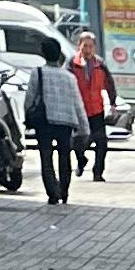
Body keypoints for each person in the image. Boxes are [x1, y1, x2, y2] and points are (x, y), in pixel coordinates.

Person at [26, 47, 88, 202]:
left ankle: (53, 193)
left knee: (46, 157)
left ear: (43, 54)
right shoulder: (69, 77)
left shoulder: (37, 73)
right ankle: (64, 191)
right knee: (64, 156)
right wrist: (84, 127)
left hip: (44, 121)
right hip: (66, 122)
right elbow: (77, 103)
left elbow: (30, 98)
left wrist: (27, 115)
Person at [71, 33, 117, 184]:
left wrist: (112, 102)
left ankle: (98, 173)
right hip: (79, 110)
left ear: (94, 48)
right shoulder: (72, 64)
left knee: (101, 142)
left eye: (90, 46)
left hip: (96, 109)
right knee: (78, 142)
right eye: (85, 46)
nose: (87, 50)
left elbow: (109, 83)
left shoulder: (100, 64)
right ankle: (81, 160)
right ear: (79, 46)